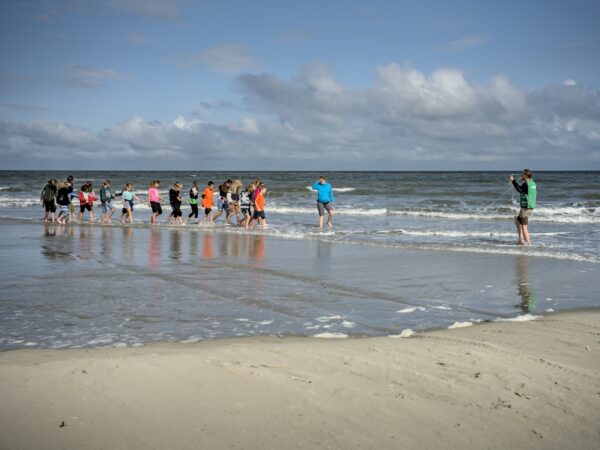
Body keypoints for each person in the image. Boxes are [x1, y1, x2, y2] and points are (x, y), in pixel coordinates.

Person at [510, 169, 537, 246]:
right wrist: (521, 181)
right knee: (517, 221)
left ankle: (528, 243)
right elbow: (524, 189)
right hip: (529, 207)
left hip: (526, 208)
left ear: (526, 175)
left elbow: (519, 189)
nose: (521, 175)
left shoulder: (526, 184)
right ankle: (520, 240)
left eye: (522, 174)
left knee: (524, 226)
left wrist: (513, 181)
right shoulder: (532, 183)